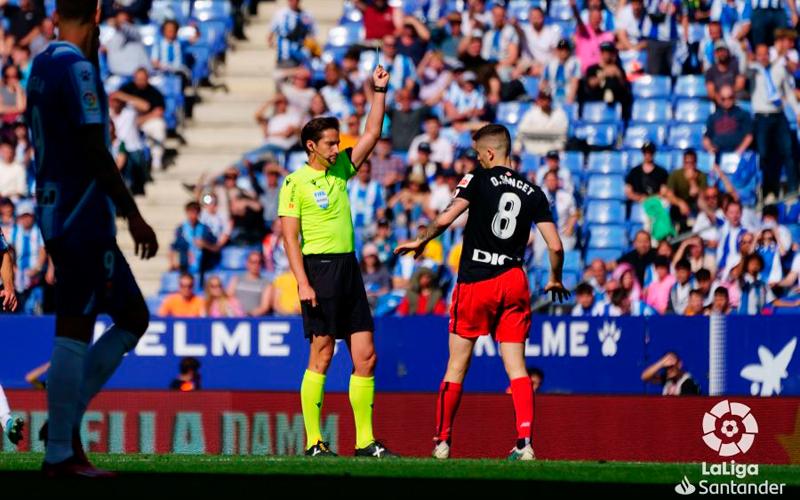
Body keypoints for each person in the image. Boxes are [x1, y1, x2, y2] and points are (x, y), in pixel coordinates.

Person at [26, 0, 159, 477]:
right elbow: (94, 148)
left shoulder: (42, 62)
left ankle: (64, 422)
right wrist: (133, 214)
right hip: (82, 215)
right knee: (75, 327)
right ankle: (60, 448)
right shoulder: (77, 68)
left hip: (55, 207)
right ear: (97, 10)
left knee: (131, 315)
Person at [395, 124, 569, 461]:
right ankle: (525, 443)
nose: (477, 158)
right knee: (517, 368)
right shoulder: (534, 192)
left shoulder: (477, 178)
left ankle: (442, 443)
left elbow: (447, 218)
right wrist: (555, 277)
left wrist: (422, 239)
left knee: (457, 366)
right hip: (514, 280)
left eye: (478, 154)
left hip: (476, 279)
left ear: (489, 153)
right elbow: (556, 245)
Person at [277, 65, 394, 458]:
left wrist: (379, 90)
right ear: (311, 146)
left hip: (348, 269)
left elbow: (373, 134)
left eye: (336, 142)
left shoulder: (342, 169)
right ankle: (313, 441)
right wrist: (302, 282)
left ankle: (365, 442)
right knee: (322, 353)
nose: (335, 148)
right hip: (319, 271)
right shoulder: (295, 183)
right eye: (329, 143)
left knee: (366, 355)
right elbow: (289, 238)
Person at [750, 43, 798, 199]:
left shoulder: (778, 70)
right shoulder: (753, 71)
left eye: (765, 54)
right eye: (760, 54)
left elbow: (789, 93)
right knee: (764, 155)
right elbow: (742, 68)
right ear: (756, 56)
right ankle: (767, 191)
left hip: (778, 116)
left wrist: (797, 111)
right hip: (761, 118)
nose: (763, 57)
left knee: (788, 152)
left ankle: (793, 190)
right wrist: (741, 47)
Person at [703, 84, 753, 156]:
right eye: (723, 98)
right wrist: (710, 149)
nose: (727, 101)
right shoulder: (713, 117)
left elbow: (749, 136)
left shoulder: (743, 114)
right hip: (718, 155)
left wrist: (739, 151)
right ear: (718, 98)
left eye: (730, 98)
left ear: (734, 97)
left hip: (738, 154)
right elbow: (706, 138)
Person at [515, 89, 568, 155]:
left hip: (551, 154)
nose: (544, 101)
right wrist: (517, 148)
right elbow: (521, 132)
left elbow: (562, 137)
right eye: (542, 98)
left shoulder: (559, 114)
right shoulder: (531, 114)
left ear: (550, 100)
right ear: (538, 100)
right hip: (532, 152)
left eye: (546, 99)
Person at [227, 251, 273, 317]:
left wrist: (248, 315)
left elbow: (264, 307)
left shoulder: (266, 283)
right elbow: (229, 297)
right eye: (253, 262)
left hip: (254, 319)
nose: (256, 265)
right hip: (235, 317)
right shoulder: (236, 279)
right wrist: (237, 312)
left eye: (259, 262)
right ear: (247, 263)